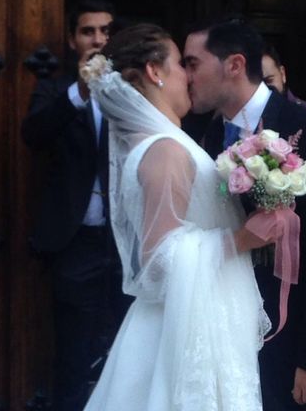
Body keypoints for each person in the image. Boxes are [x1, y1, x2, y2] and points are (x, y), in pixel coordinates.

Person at [82, 23, 271, 410]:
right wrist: (243, 239)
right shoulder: (165, 150)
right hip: (178, 337)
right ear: (155, 71)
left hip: (196, 320)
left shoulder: (166, 141)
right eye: (181, 64)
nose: (189, 75)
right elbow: (158, 263)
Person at [184, 19, 306, 410]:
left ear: (233, 64)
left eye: (193, 63)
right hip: (233, 336)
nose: (185, 75)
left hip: (294, 343)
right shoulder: (206, 136)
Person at [21, 0, 130, 411]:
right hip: (77, 244)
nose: (98, 40)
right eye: (88, 31)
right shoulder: (56, 89)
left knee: (125, 353)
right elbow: (34, 135)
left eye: (106, 31)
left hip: (124, 243)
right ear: (72, 39)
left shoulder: (132, 89)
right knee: (72, 359)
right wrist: (80, 93)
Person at [262, 44, 306, 122]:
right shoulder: (246, 119)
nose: (263, 89)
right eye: (257, 84)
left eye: (269, 81)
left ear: (282, 74)